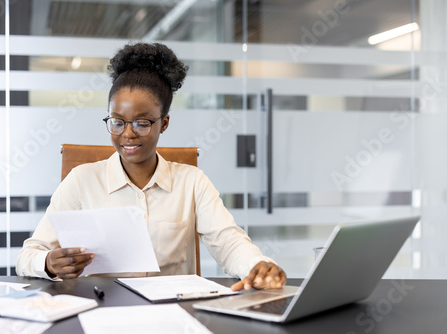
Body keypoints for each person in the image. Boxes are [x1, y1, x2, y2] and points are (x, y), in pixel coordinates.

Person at [16, 42, 286, 291]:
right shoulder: (81, 181)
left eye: (142, 123)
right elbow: (28, 256)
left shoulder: (192, 182)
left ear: (164, 123)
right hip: (103, 312)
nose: (128, 134)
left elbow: (228, 241)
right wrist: (49, 263)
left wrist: (256, 266)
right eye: (117, 121)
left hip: (173, 311)